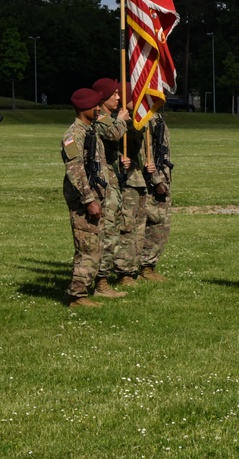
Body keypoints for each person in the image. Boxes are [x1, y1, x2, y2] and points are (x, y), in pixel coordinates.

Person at [62, 88, 108, 308]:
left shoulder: (91, 131)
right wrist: (89, 200)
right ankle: (77, 296)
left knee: (95, 245)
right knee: (87, 247)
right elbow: (76, 170)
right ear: (84, 109)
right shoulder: (73, 136)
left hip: (95, 197)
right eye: (95, 106)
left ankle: (86, 291)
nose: (99, 109)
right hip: (83, 201)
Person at [90, 77, 129, 299]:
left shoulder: (107, 118)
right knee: (107, 232)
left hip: (111, 179)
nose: (118, 97)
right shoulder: (102, 118)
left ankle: (103, 278)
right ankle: (101, 282)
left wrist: (119, 159)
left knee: (113, 230)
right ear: (103, 97)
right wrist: (122, 120)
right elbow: (113, 133)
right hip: (104, 185)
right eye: (114, 94)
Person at [115, 94, 157, 287]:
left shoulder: (139, 120)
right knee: (127, 226)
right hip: (127, 181)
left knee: (139, 227)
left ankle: (134, 268)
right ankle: (124, 272)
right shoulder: (118, 122)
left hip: (140, 179)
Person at [141, 110, 173, 281]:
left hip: (163, 176)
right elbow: (147, 151)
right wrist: (157, 180)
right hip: (154, 180)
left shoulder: (157, 116)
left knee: (162, 223)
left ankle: (149, 265)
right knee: (155, 221)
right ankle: (145, 266)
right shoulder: (147, 118)